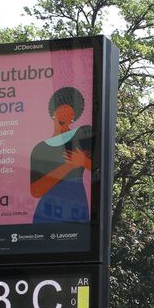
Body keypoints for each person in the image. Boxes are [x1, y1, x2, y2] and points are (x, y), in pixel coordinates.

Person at [29, 86, 94, 223]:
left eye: (69, 113)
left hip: (75, 209)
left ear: (74, 117)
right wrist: (68, 167)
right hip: (46, 214)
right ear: (53, 113)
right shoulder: (40, 148)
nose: (64, 115)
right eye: (61, 110)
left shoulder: (82, 135)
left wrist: (83, 162)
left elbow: (100, 169)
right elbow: (36, 190)